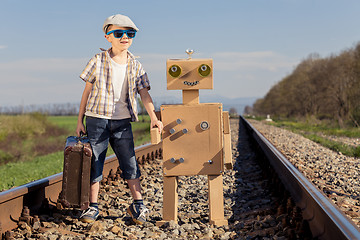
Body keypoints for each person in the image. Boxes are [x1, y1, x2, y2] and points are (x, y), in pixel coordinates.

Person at [76, 14, 163, 224]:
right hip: (97, 119)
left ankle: (138, 205)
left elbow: (144, 94)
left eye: (129, 33)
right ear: (108, 36)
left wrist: (153, 117)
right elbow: (86, 92)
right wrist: (79, 120)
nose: (125, 37)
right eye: (119, 33)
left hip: (122, 121)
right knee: (96, 162)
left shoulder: (136, 65)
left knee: (130, 162)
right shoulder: (97, 60)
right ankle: (92, 207)